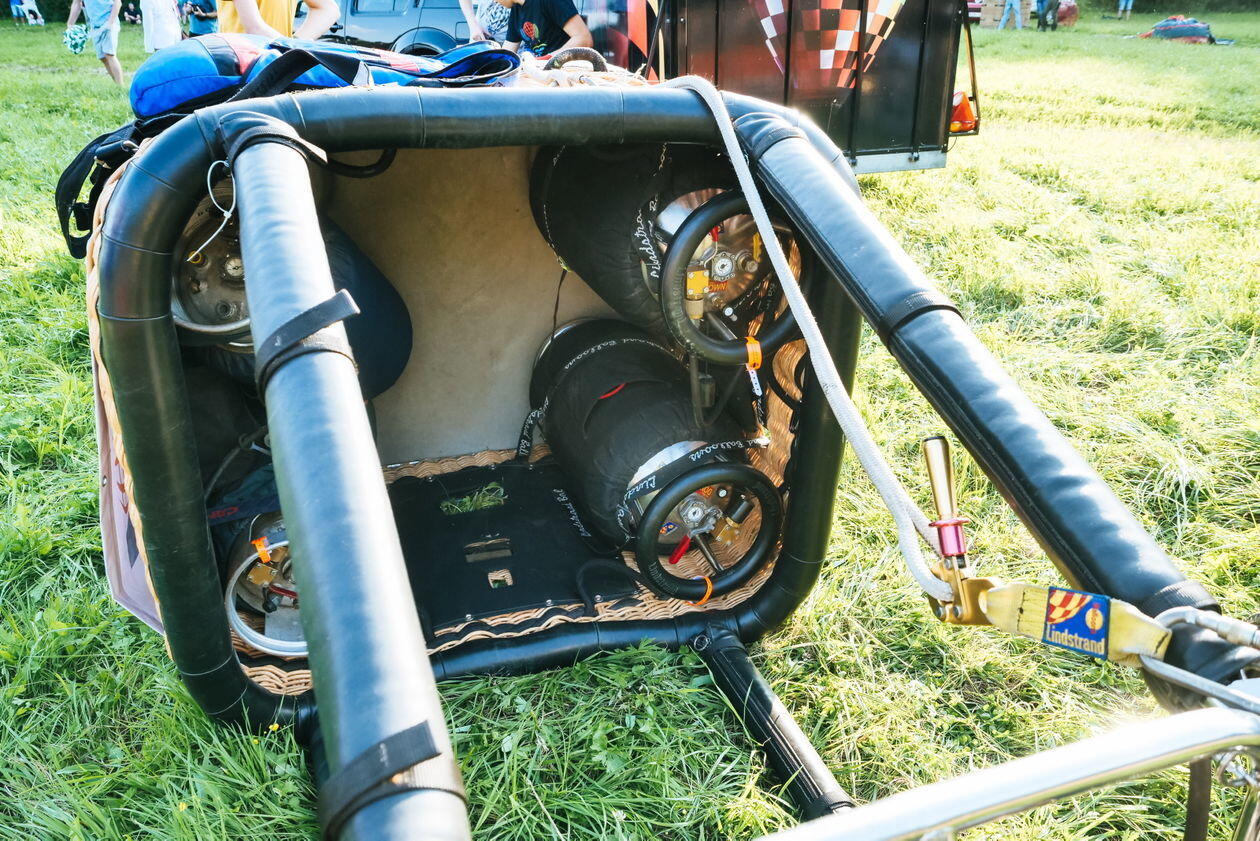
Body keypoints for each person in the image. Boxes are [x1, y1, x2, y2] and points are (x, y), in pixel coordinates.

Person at [497, 0, 592, 57]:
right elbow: (507, 54)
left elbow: (583, 39)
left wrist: (545, 60)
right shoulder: (516, 10)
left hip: (570, 70)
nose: (494, 1)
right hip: (544, 72)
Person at [67, 0, 123, 83]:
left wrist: (110, 23)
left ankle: (121, 85)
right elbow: (76, 3)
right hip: (95, 26)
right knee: (103, 58)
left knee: (109, 54)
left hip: (109, 21)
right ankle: (117, 84)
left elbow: (117, 2)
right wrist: (70, 24)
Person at [217, 0, 337, 39]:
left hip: (277, 65)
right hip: (240, 63)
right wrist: (290, 48)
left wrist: (296, 42)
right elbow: (254, 27)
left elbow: (329, 9)